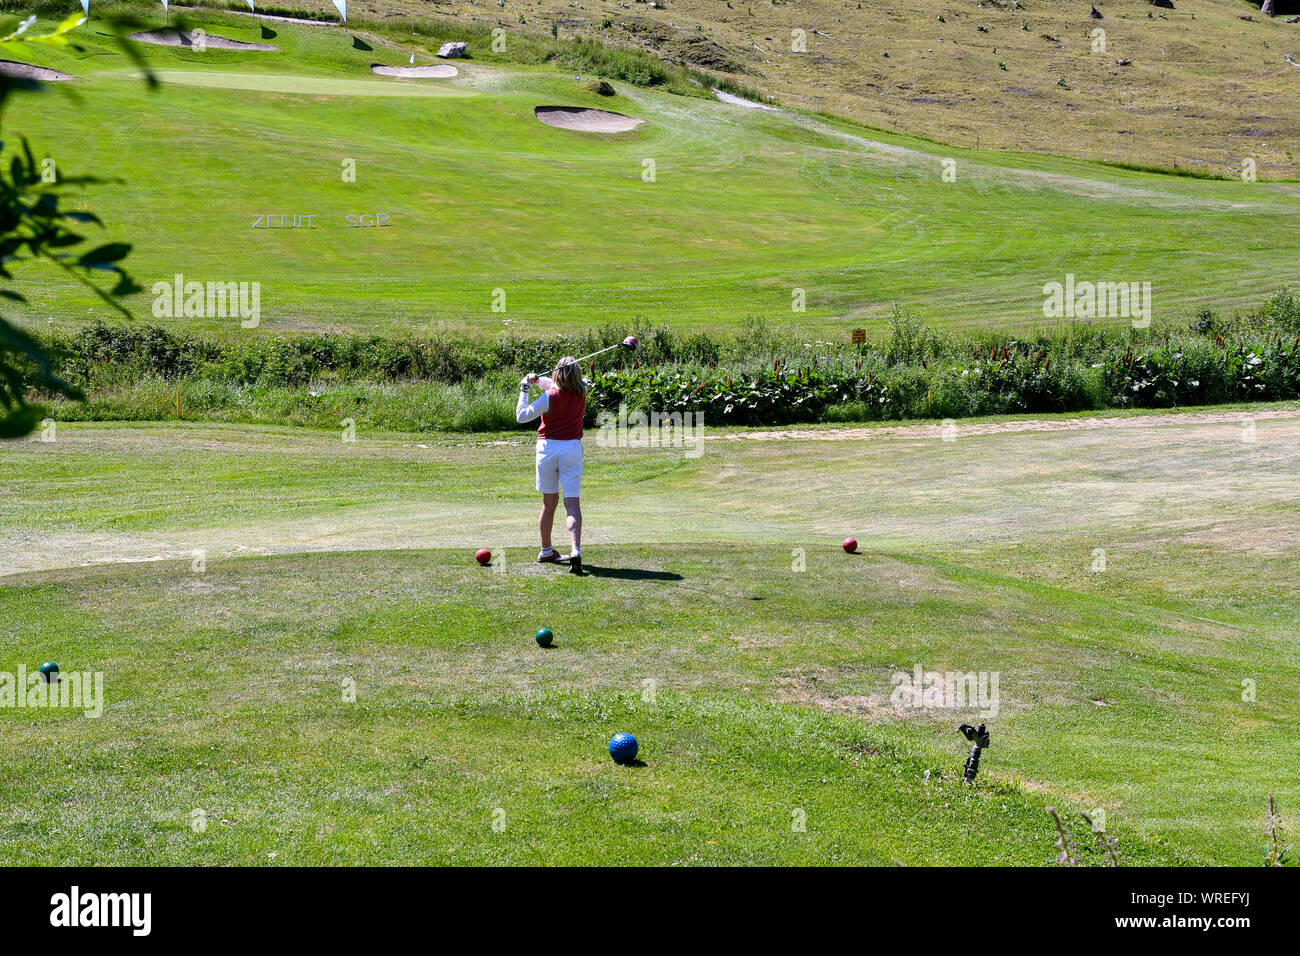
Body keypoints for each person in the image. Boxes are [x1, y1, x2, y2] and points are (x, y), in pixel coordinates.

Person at [516, 356, 586, 575]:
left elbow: (521, 416)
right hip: (572, 449)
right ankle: (575, 549)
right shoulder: (583, 391)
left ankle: (546, 550)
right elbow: (557, 385)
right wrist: (537, 381)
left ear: (558, 373)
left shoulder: (549, 397)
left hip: (547, 450)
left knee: (549, 503)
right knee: (572, 504)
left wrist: (525, 388)